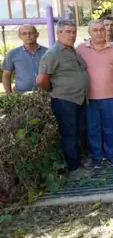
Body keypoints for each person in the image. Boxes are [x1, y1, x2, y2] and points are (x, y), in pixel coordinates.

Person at [36, 20, 89, 179]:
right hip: (64, 100)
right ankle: (74, 170)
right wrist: (52, 90)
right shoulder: (53, 54)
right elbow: (41, 80)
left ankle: (79, 162)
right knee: (69, 135)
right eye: (67, 32)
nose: (71, 35)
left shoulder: (72, 50)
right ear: (58, 33)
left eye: (73, 32)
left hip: (79, 99)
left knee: (78, 132)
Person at [76, 20, 113, 169]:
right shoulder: (80, 49)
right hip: (89, 97)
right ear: (89, 32)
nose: (99, 32)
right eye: (95, 30)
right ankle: (96, 157)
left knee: (111, 128)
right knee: (93, 129)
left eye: (102, 29)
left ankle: (112, 156)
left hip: (111, 96)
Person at [2, 25, 48, 93]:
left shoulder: (48, 52)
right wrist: (9, 94)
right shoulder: (12, 54)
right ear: (20, 36)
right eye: (24, 33)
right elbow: (6, 75)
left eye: (31, 33)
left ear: (37, 34)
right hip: (21, 95)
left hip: (45, 93)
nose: (28, 36)